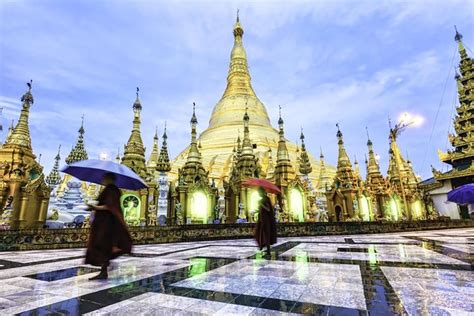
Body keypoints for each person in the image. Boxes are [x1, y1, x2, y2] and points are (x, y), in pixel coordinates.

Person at [86, 172, 132, 280]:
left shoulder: (111, 190)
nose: (102, 179)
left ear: (109, 179)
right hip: (103, 221)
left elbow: (109, 206)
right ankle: (103, 271)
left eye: (105, 178)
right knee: (102, 245)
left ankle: (103, 271)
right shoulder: (110, 189)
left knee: (103, 244)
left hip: (107, 223)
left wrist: (95, 207)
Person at [254, 186, 277, 255]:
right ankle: (264, 247)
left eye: (259, 192)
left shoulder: (266, 199)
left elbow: (268, 209)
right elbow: (263, 210)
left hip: (266, 220)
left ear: (262, 192)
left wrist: (261, 204)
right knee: (261, 233)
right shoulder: (262, 199)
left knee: (266, 234)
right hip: (262, 219)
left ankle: (268, 250)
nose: (258, 194)